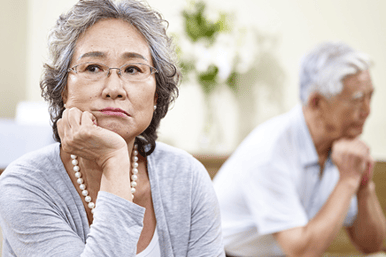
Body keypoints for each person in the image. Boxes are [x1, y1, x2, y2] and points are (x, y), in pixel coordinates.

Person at [0, 0, 225, 256]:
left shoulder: (188, 177)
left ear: (157, 95)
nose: (114, 89)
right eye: (93, 67)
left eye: (132, 69)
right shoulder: (25, 184)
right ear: (63, 89)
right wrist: (114, 160)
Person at [213, 41, 386, 257]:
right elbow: (302, 251)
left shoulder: (343, 149)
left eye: (371, 96)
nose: (367, 111)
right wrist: (348, 180)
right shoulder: (269, 152)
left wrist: (363, 187)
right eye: (357, 99)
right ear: (316, 102)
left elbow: (372, 246)